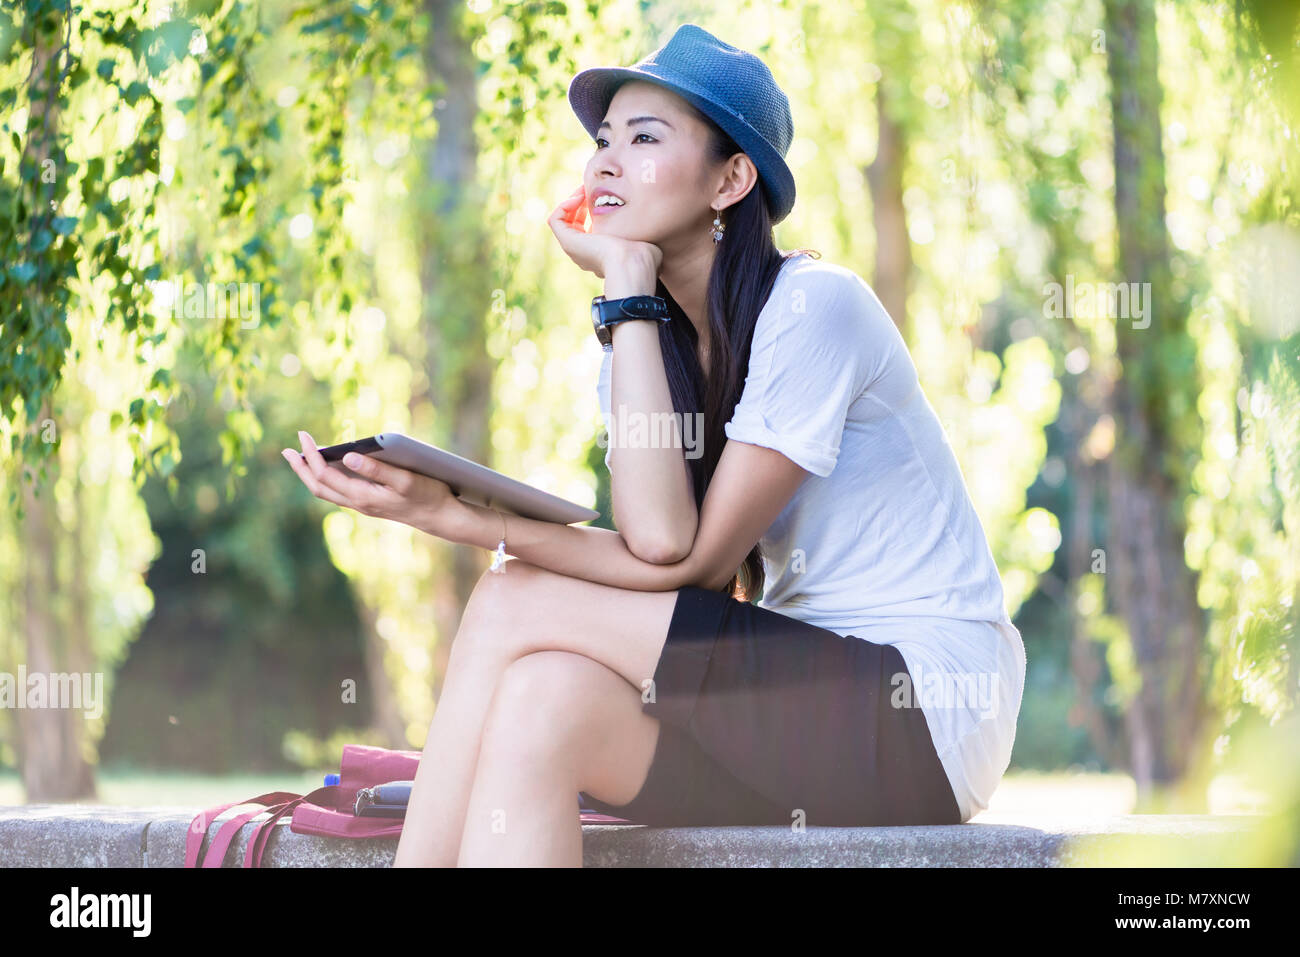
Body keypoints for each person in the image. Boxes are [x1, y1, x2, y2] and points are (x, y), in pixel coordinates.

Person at [283, 23, 1026, 867]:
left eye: (644, 138)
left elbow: (689, 561)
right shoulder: (641, 342)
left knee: (507, 598)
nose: (603, 162)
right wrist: (627, 304)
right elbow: (660, 544)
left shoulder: (817, 307)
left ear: (732, 178)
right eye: (602, 141)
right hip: (797, 719)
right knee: (539, 698)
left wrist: (465, 520)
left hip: (921, 713)